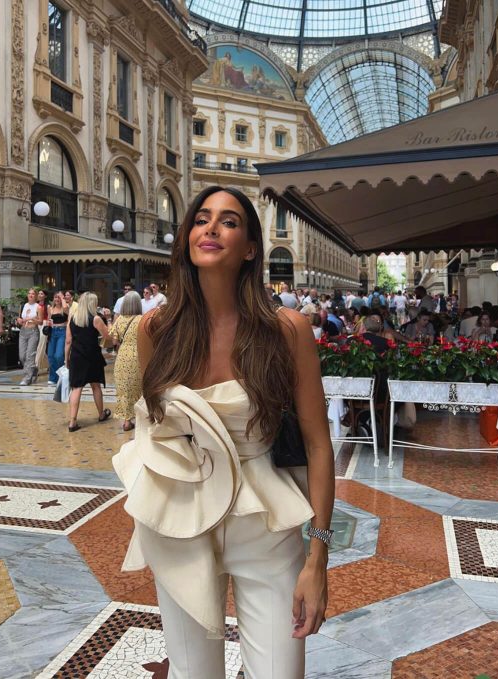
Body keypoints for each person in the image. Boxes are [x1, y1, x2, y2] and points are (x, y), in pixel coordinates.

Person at [114, 186, 334, 679]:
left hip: (264, 523)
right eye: (201, 219)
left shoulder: (286, 329)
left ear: (251, 248)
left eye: (229, 221)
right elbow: (156, 431)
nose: (211, 228)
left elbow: (319, 446)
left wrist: (317, 557)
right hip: (180, 521)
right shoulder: (155, 329)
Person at [65, 292, 111, 432]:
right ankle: (101, 414)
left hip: (76, 356)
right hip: (92, 356)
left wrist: (66, 359)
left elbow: (68, 341)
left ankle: (72, 422)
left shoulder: (73, 318)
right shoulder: (96, 319)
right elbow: (108, 336)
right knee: (95, 386)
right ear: (92, 303)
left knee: (76, 388)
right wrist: (108, 319)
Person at [108, 291, 143, 431]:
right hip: (137, 356)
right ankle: (141, 418)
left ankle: (127, 421)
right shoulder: (142, 319)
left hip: (122, 357)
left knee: (124, 389)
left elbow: (114, 341)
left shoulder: (119, 319)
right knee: (138, 388)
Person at [17, 288, 44, 385]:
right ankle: (34, 369)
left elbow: (40, 322)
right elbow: (19, 317)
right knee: (22, 356)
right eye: (29, 293)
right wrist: (19, 320)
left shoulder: (38, 307)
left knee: (30, 355)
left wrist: (32, 319)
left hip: (33, 331)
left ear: (36, 296)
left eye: (33, 294)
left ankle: (27, 378)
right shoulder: (23, 305)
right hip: (23, 331)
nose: (30, 295)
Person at [46, 292, 69, 385]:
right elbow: (48, 320)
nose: (57, 299)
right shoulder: (50, 308)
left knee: (59, 355)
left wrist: (63, 298)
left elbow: (66, 309)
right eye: (55, 297)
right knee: (51, 355)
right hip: (52, 332)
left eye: (59, 298)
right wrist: (48, 323)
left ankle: (63, 375)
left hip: (62, 331)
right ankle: (53, 377)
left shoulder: (65, 308)